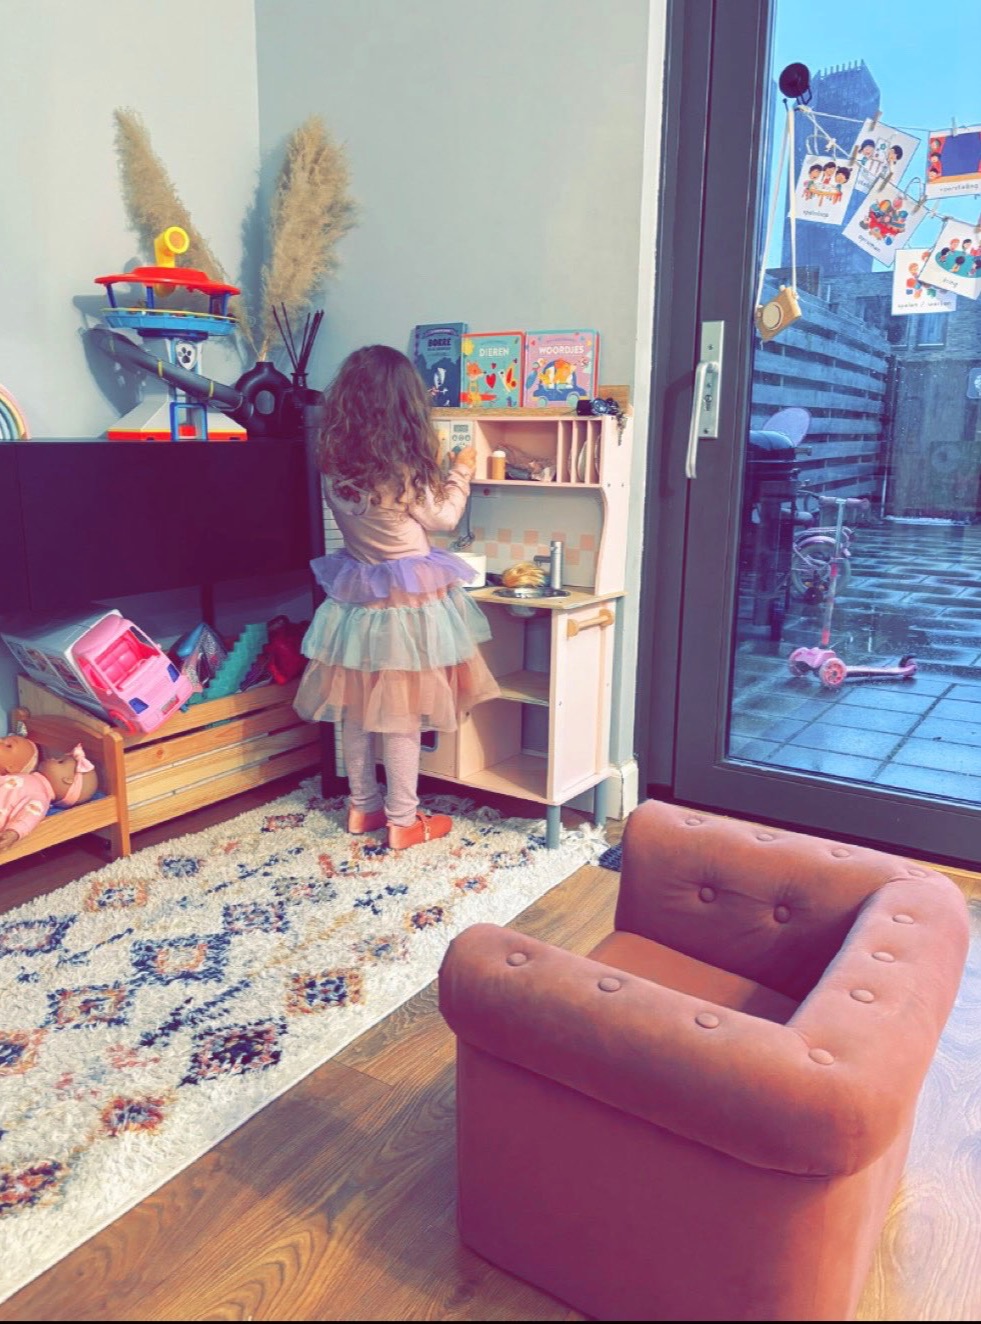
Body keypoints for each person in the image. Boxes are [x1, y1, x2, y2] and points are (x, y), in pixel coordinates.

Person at [294, 344, 500, 850]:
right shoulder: (405, 470)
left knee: (357, 710)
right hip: (408, 606)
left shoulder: (334, 465)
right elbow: (443, 519)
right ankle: (403, 820)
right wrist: (460, 471)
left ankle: (362, 806)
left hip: (357, 599)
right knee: (402, 716)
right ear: (405, 405)